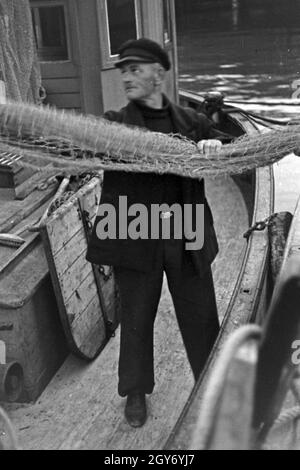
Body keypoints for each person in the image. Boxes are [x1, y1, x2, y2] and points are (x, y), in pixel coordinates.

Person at [86, 38, 232, 428]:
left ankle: (213, 386)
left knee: (202, 317)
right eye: (123, 71)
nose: (127, 78)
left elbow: (231, 151)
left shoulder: (192, 123)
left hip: (185, 235)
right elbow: (83, 145)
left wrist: (212, 144)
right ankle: (135, 391)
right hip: (135, 235)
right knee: (136, 317)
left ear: (159, 74)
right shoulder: (114, 127)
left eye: (135, 69)